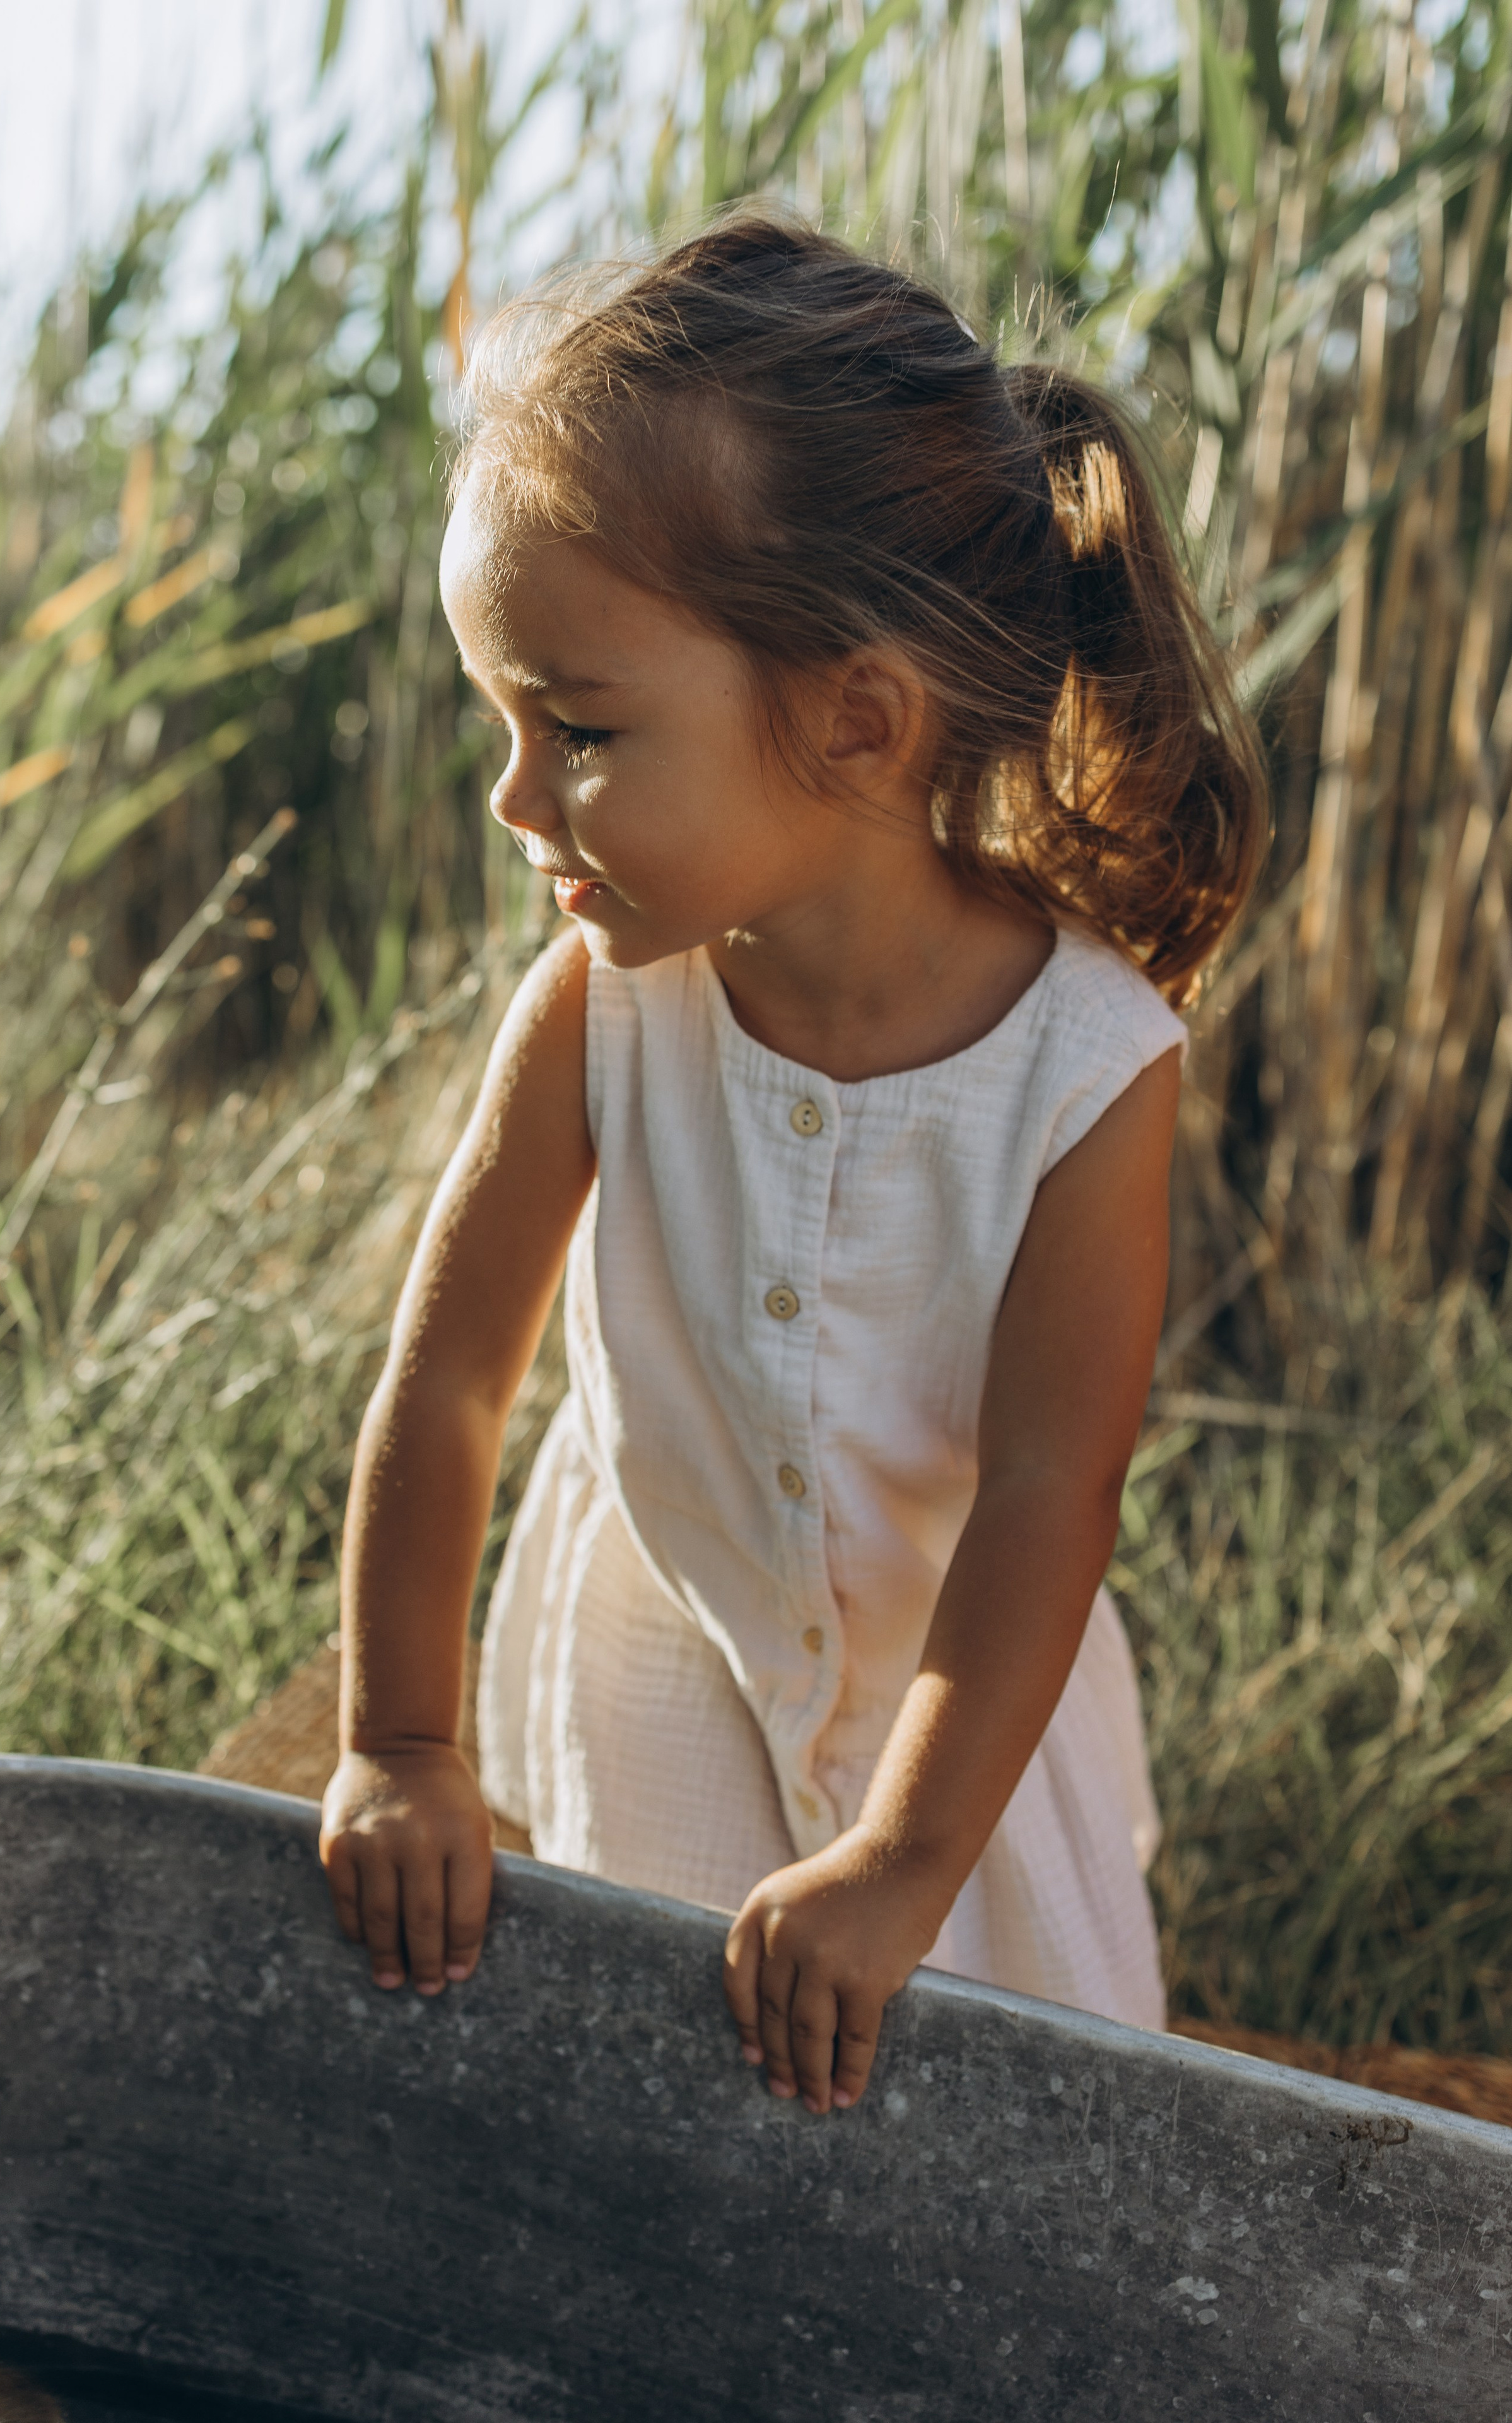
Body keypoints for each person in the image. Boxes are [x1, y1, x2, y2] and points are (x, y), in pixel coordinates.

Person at [319, 213, 1267, 2118]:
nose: (513, 800)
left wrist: (902, 1870)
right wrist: (403, 1742)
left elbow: (1041, 1500)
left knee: (1002, 2175)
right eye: (503, 720)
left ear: (854, 715)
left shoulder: (1087, 1066)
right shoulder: (604, 1007)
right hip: (661, 1654)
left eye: (576, 728)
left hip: (965, 1735)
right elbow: (452, 1387)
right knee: (657, 2127)